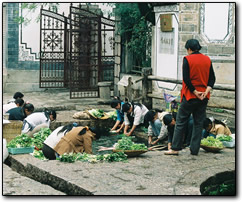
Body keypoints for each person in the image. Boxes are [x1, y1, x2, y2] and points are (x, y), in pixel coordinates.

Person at [165, 39, 216, 155]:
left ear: (189, 49)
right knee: (198, 123)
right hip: (203, 97)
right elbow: (212, 79)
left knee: (181, 121)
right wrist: (205, 91)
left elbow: (186, 79)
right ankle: (194, 149)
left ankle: (175, 148)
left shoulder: (187, 59)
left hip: (189, 96)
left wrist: (194, 91)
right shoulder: (207, 59)